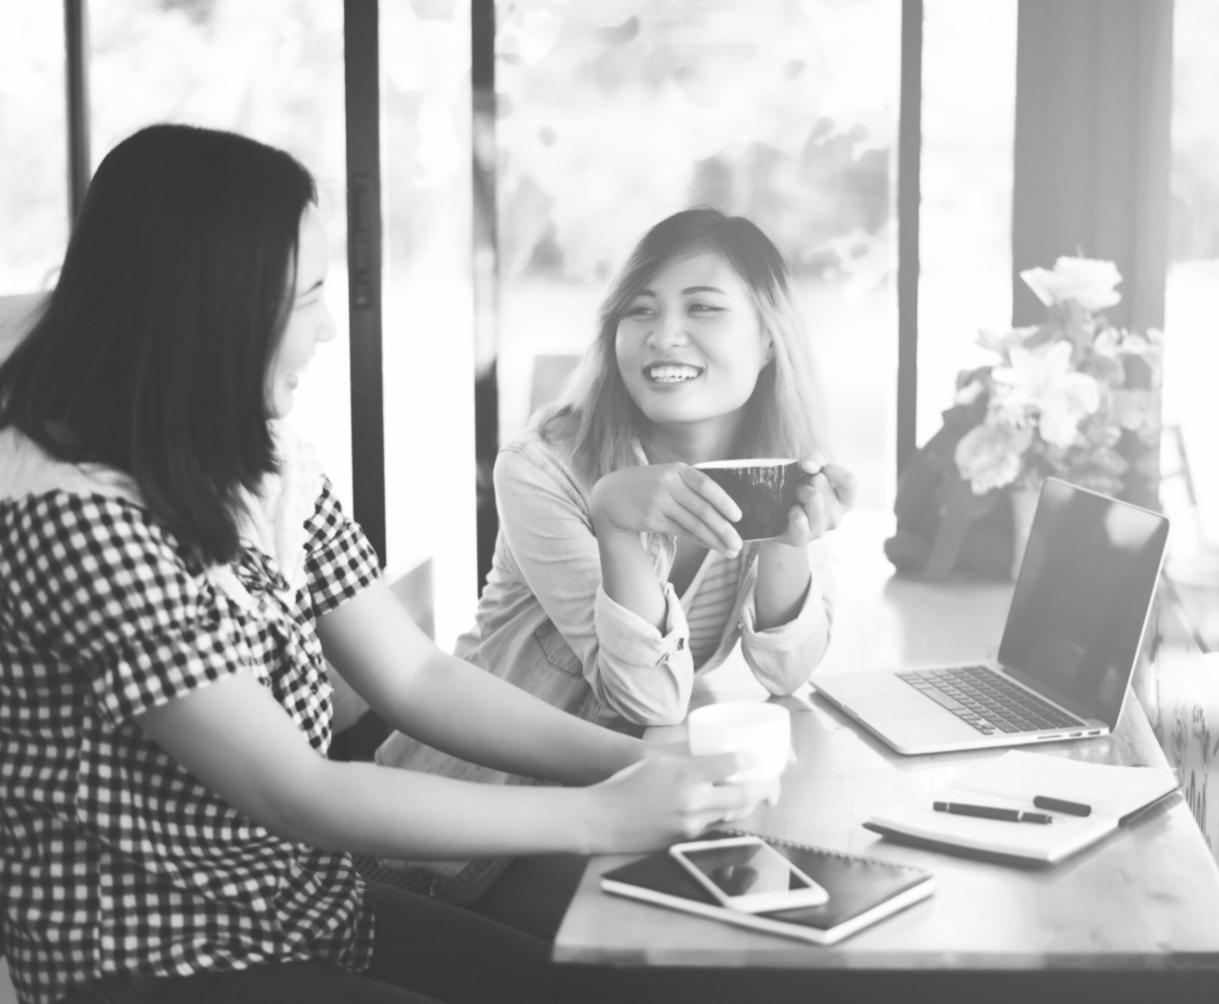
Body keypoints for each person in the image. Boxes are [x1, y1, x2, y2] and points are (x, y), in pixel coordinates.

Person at [0, 125, 767, 1004]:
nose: (329, 329)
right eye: (308, 299)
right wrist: (601, 813)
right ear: (217, 307)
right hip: (157, 955)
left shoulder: (262, 459)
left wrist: (631, 764)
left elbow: (415, 674)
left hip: (299, 908)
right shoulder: (73, 516)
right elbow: (296, 792)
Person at [375, 208, 856, 930]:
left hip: (613, 804)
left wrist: (788, 539)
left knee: (809, 894)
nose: (664, 335)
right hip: (456, 844)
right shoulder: (543, 470)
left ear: (767, 340)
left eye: (703, 308)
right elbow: (649, 701)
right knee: (728, 933)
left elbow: (786, 676)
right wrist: (615, 520)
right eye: (641, 310)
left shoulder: (770, 466)